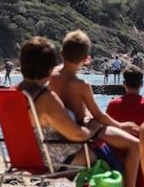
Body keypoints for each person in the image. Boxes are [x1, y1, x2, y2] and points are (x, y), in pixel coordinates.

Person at [48, 30, 140, 187]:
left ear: (62, 53)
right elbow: (99, 116)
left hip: (54, 140)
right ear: (86, 59)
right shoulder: (82, 86)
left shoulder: (50, 75)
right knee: (135, 145)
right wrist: (121, 126)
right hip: (77, 137)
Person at [15, 37, 103, 176]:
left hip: (22, 158)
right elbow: (78, 135)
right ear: (50, 68)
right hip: (52, 162)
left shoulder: (13, 93)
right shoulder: (45, 98)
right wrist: (92, 129)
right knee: (105, 151)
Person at [107, 66, 144, 187]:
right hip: (141, 161)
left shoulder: (113, 104)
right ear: (141, 84)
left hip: (116, 159)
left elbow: (107, 129)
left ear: (124, 84)